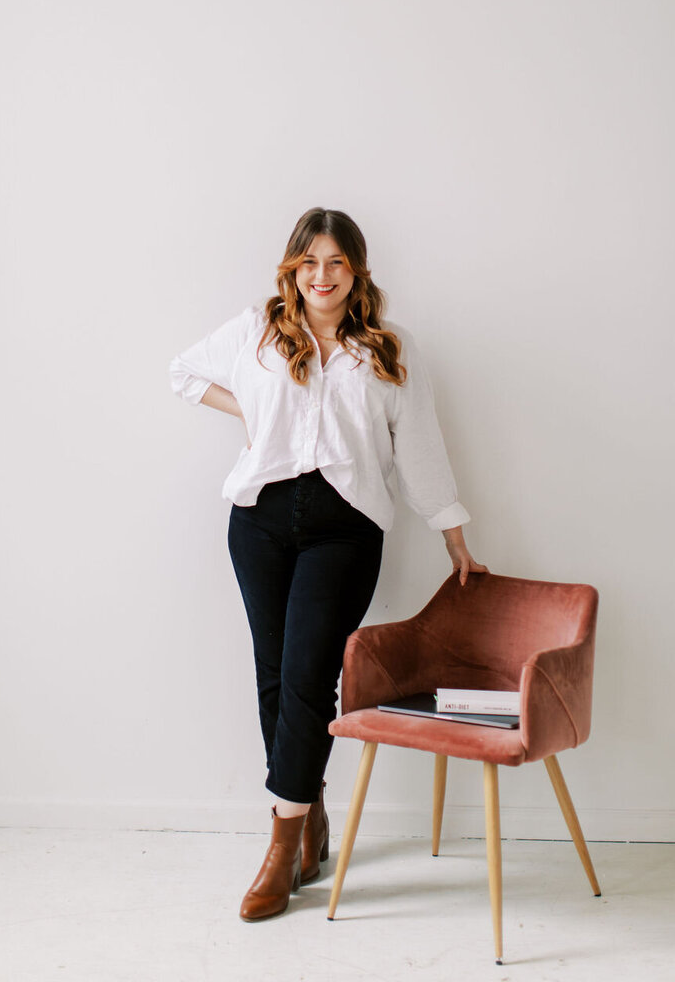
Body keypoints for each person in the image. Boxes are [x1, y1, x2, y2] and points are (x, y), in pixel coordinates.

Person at [170, 207, 486, 922]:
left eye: (336, 263)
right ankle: (305, 815)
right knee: (276, 674)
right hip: (259, 522)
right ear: (292, 267)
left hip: (345, 530)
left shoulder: (387, 349)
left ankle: (280, 849)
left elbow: (420, 449)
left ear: (356, 272)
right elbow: (183, 372)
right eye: (309, 262)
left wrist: (452, 532)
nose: (322, 275)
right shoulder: (257, 329)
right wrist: (252, 411)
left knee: (312, 676)